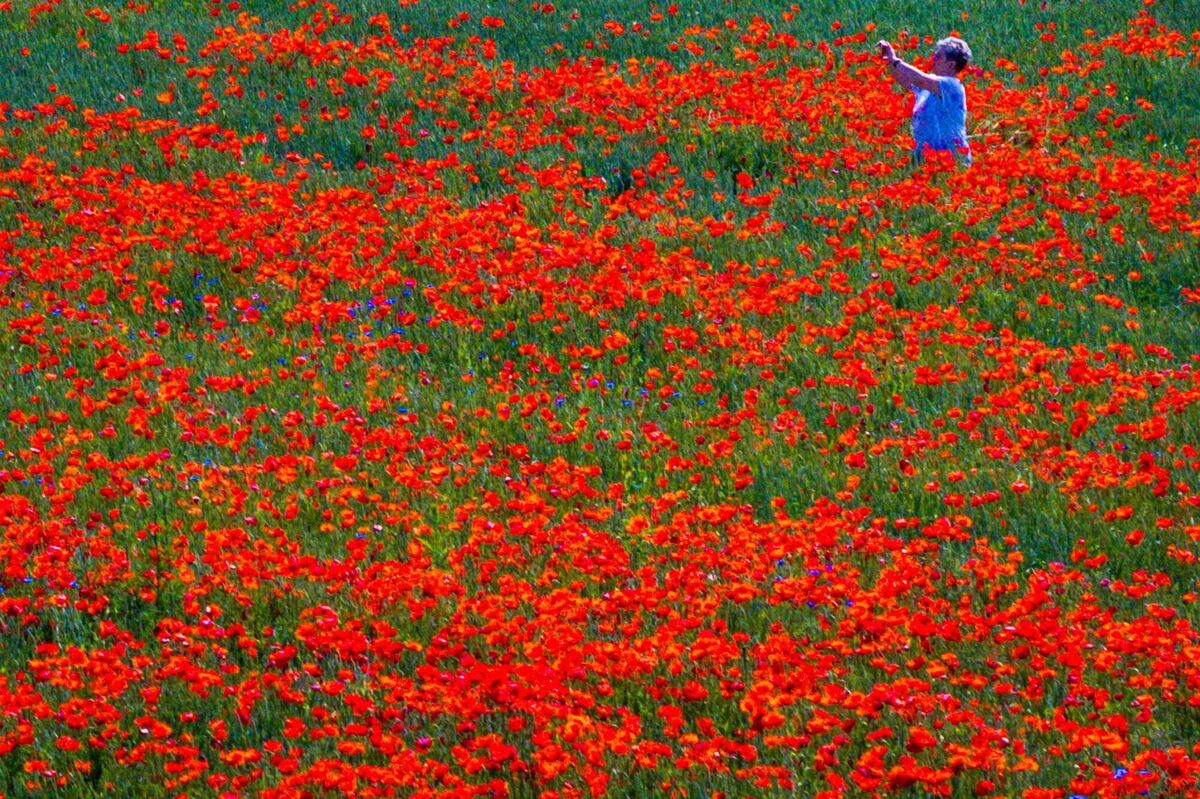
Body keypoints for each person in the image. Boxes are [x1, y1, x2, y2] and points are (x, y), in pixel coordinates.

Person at [877, 37, 973, 164]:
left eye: (938, 56)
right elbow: (906, 80)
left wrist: (895, 61)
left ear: (951, 65)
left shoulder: (951, 86)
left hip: (951, 157)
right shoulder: (931, 84)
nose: (933, 59)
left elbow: (919, 79)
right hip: (927, 155)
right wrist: (889, 60)